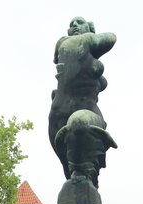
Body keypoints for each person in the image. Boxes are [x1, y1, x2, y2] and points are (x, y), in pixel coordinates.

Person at [47, 17, 117, 186]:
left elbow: (111, 37)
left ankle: (86, 172)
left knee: (80, 121)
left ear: (89, 28)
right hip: (57, 116)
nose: (74, 26)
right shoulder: (63, 44)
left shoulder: (86, 42)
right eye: (71, 25)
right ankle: (79, 179)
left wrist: (88, 37)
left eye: (79, 22)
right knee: (69, 170)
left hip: (87, 111)